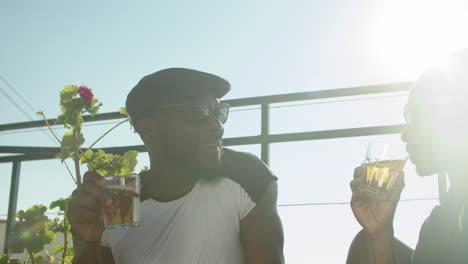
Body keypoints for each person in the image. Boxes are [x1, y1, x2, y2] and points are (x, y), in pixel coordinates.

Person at [67, 68, 285, 264]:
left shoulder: (244, 173)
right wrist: (88, 242)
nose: (216, 125)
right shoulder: (123, 198)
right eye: (198, 113)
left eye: (217, 112)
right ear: (149, 128)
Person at [347, 50, 468, 264]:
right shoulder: (440, 224)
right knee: (365, 243)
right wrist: (380, 231)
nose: (404, 134)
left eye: (412, 115)